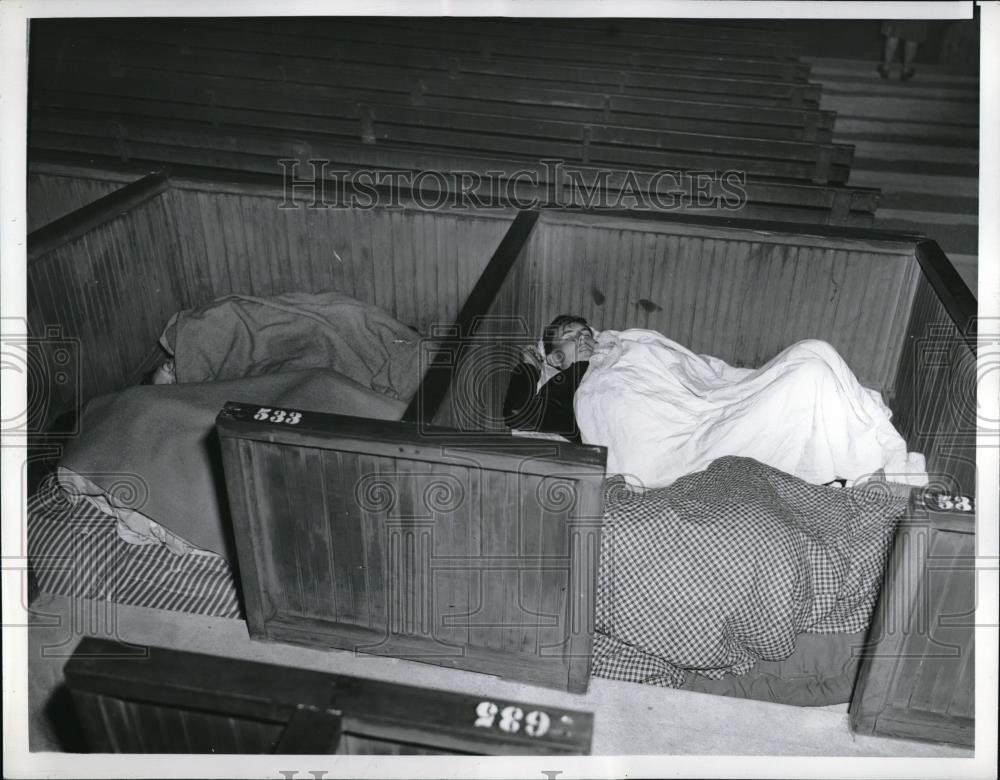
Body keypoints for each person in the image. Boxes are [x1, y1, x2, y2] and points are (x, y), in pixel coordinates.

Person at [502, 314, 595, 442]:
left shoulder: (618, 362)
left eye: (587, 335)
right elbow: (519, 414)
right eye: (569, 337)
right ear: (556, 358)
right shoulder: (565, 383)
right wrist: (530, 368)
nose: (581, 338)